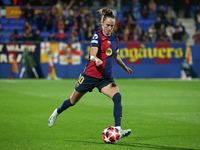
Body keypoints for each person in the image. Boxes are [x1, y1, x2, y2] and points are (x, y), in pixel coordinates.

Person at [48, 7, 132, 139]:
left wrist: (124, 66)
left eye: (112, 26)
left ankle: (118, 129)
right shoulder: (97, 36)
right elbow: (92, 55)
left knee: (117, 96)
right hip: (90, 76)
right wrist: (96, 59)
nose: (110, 28)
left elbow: (116, 56)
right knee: (72, 101)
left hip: (105, 78)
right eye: (108, 25)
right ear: (102, 22)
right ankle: (56, 112)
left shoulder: (115, 39)